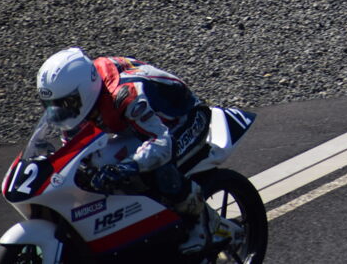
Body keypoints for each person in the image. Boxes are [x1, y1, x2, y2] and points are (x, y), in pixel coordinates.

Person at [35, 47, 235, 254]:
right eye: (50, 105)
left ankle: (201, 224)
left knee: (157, 168)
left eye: (66, 104)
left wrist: (130, 166)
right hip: (138, 128)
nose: (59, 112)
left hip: (184, 119)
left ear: (84, 91)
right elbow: (75, 150)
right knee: (95, 166)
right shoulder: (81, 98)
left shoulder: (124, 95)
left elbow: (161, 142)